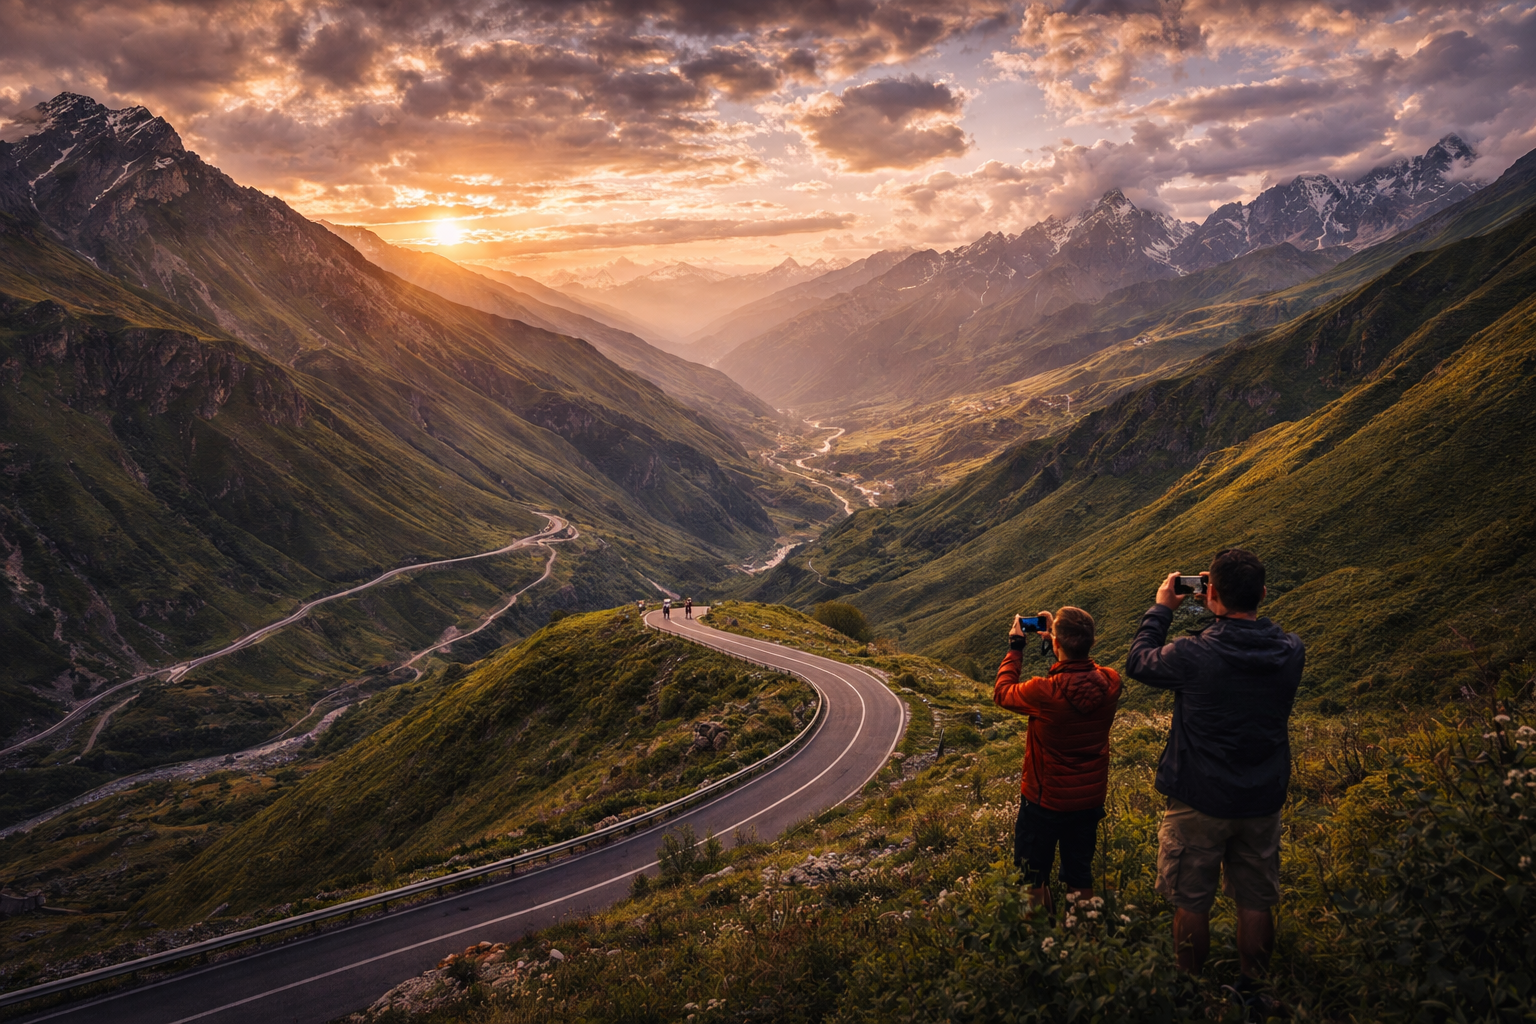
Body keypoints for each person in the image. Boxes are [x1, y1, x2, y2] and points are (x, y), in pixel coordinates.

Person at [1127, 548, 1303, 1017]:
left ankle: (1190, 990)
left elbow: (1140, 662)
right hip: (1262, 794)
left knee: (1191, 898)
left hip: (1199, 796)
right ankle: (1252, 990)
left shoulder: (1193, 653)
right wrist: (1221, 605)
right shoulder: (1291, 651)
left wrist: (1163, 607)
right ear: (1263, 593)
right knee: (1256, 897)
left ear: (1211, 594)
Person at [994, 606, 1121, 912]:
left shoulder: (1043, 693)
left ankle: (1040, 937)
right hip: (1088, 800)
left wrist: (1016, 647)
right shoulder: (1111, 682)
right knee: (1080, 874)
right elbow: (1082, 678)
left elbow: (1001, 692)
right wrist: (1061, 646)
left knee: (1031, 876)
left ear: (1055, 644)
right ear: (1091, 642)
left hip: (1044, 802)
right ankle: (1082, 941)